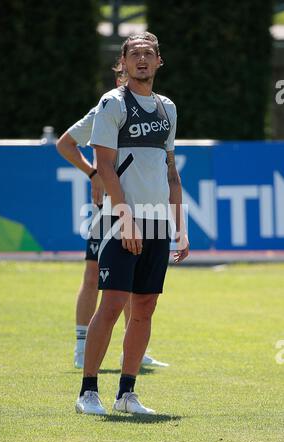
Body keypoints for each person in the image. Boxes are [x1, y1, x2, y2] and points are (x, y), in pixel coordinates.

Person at [75, 32, 189, 416]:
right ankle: (88, 392)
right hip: (121, 219)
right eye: (135, 54)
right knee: (111, 305)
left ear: (159, 62)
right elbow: (103, 165)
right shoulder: (112, 103)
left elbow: (171, 171)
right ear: (122, 63)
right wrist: (124, 220)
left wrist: (181, 228)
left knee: (145, 308)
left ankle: (127, 394)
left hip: (158, 223)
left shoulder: (168, 108)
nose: (142, 59)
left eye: (149, 54)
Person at [56, 64, 169, 371]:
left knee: (134, 284)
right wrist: (93, 173)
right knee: (94, 276)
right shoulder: (104, 110)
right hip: (106, 211)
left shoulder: (156, 110)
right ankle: (82, 345)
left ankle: (130, 351)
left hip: (140, 211)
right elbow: (65, 143)